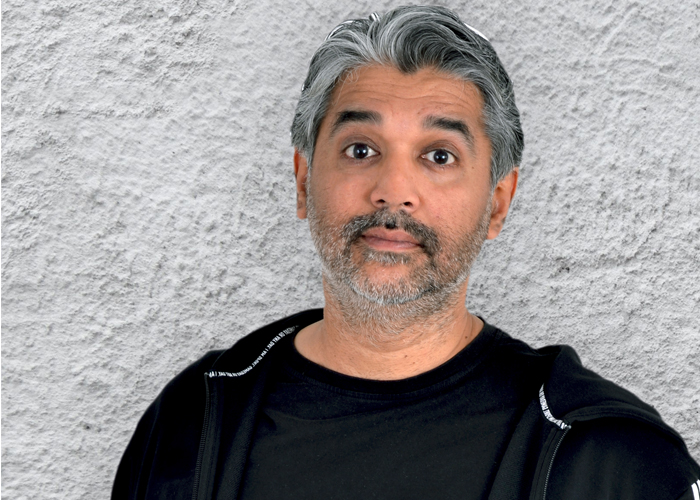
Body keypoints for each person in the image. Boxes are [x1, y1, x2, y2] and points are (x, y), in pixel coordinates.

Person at [112, 6, 700, 500]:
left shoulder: (613, 461)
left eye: (439, 156)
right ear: (303, 181)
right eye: (361, 149)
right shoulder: (192, 422)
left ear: (497, 203)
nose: (394, 190)